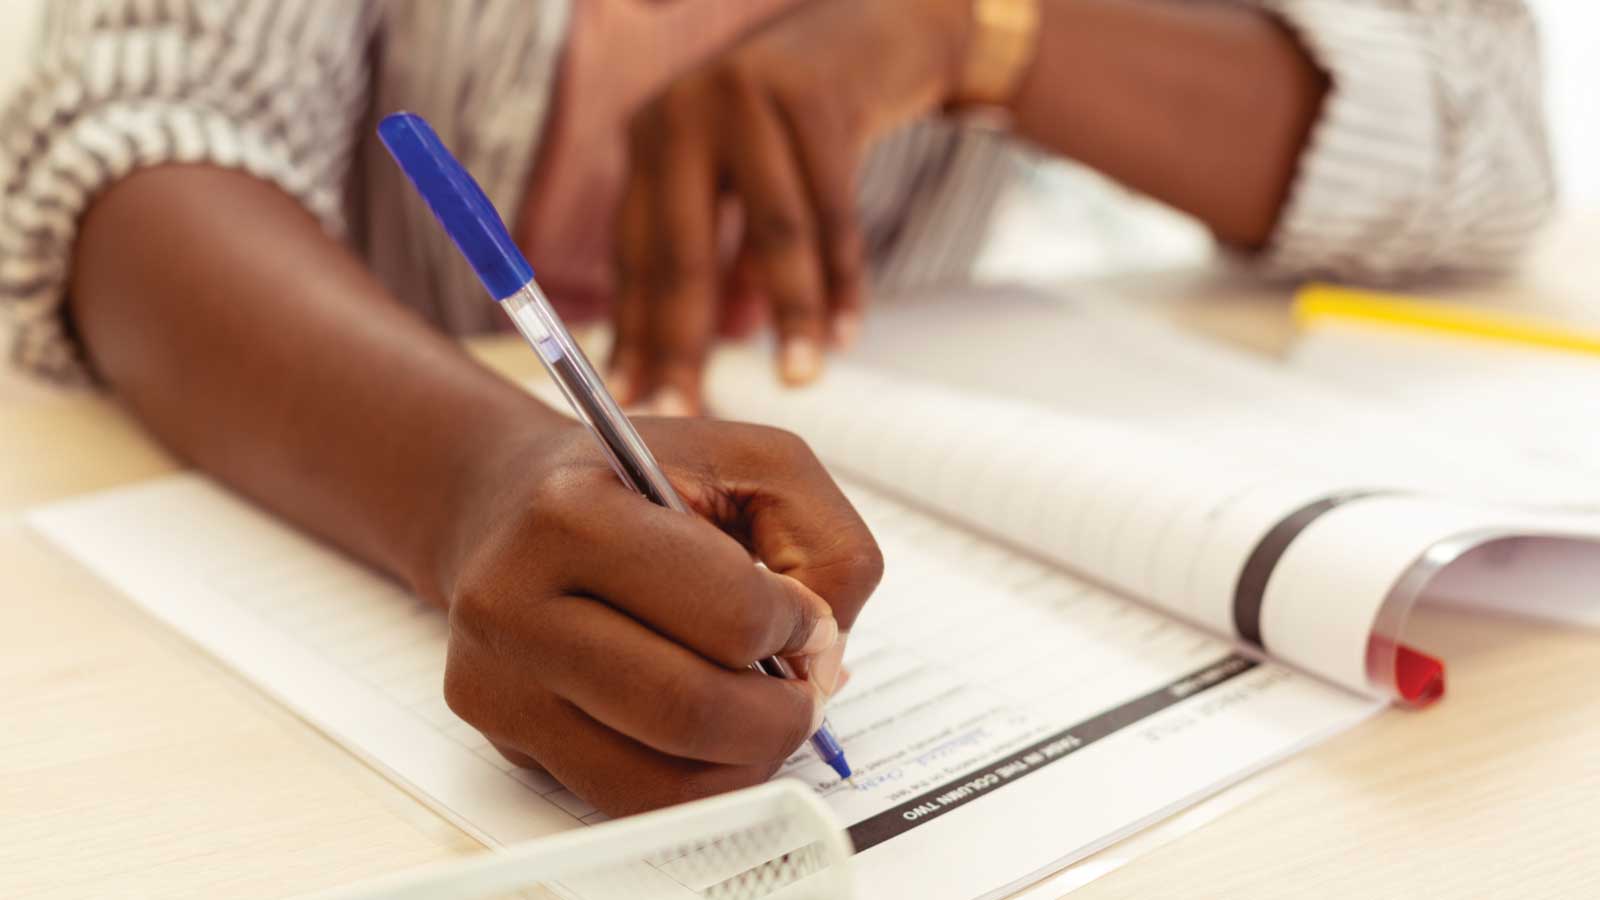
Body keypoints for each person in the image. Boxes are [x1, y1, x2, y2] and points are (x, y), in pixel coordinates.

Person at [0, 0, 1552, 814]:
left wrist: (970, 28)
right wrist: (470, 478)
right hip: (212, 613)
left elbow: (1488, 137)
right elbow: (133, 143)